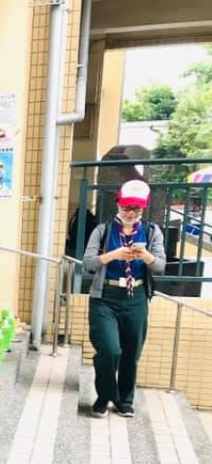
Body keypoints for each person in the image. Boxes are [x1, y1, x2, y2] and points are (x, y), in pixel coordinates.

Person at [83, 179, 165, 418]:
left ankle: (125, 400)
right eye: (127, 207)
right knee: (110, 349)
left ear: (143, 209)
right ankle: (106, 395)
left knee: (131, 352)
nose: (131, 213)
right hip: (105, 297)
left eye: (137, 209)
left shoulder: (151, 231)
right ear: (118, 204)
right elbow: (88, 263)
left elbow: (159, 266)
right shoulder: (103, 230)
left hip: (136, 296)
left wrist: (145, 255)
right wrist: (113, 255)